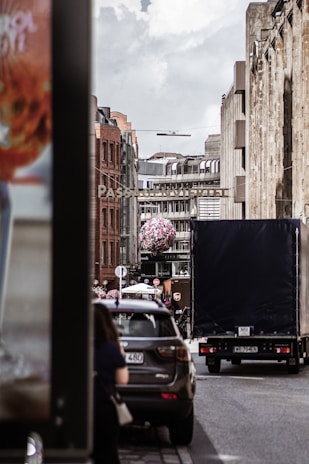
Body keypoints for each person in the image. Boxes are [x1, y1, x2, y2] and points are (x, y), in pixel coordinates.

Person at [92, 303, 129, 464]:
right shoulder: (111, 348)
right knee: (107, 454)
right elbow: (122, 380)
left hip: (78, 407)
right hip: (104, 408)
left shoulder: (77, 347)